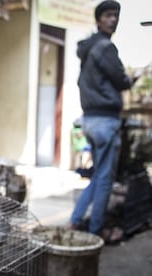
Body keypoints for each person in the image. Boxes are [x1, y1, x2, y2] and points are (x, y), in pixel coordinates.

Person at [68, 0, 140, 239]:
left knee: (98, 176)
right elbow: (122, 81)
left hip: (90, 119)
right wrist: (135, 76)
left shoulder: (88, 50)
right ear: (98, 20)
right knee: (105, 181)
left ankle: (76, 221)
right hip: (104, 121)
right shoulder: (105, 48)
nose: (113, 20)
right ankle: (96, 231)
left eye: (115, 15)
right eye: (108, 15)